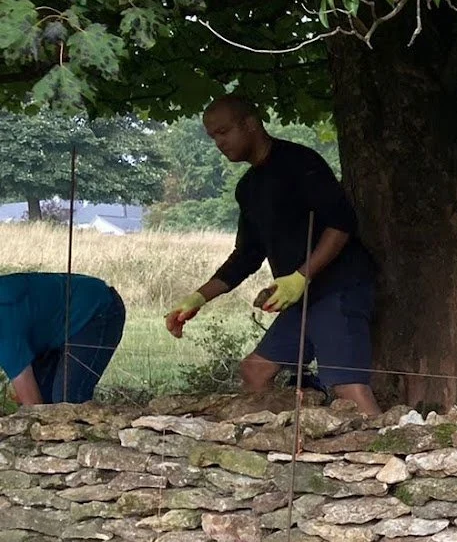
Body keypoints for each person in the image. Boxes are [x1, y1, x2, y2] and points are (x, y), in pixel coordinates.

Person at [166, 96, 380, 415]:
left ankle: (388, 457)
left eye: (224, 132)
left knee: (347, 388)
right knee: (255, 371)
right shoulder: (248, 188)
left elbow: (341, 224)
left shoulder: (300, 162)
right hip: (303, 296)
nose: (219, 143)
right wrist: (198, 298)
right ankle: (271, 451)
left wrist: (300, 276)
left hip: (340, 288)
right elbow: (247, 255)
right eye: (213, 137)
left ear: (251, 124)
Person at [0, 272, 125, 404]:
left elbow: (33, 405)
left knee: (66, 400)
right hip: (55, 325)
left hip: (96, 310)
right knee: (46, 398)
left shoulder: (5, 331)